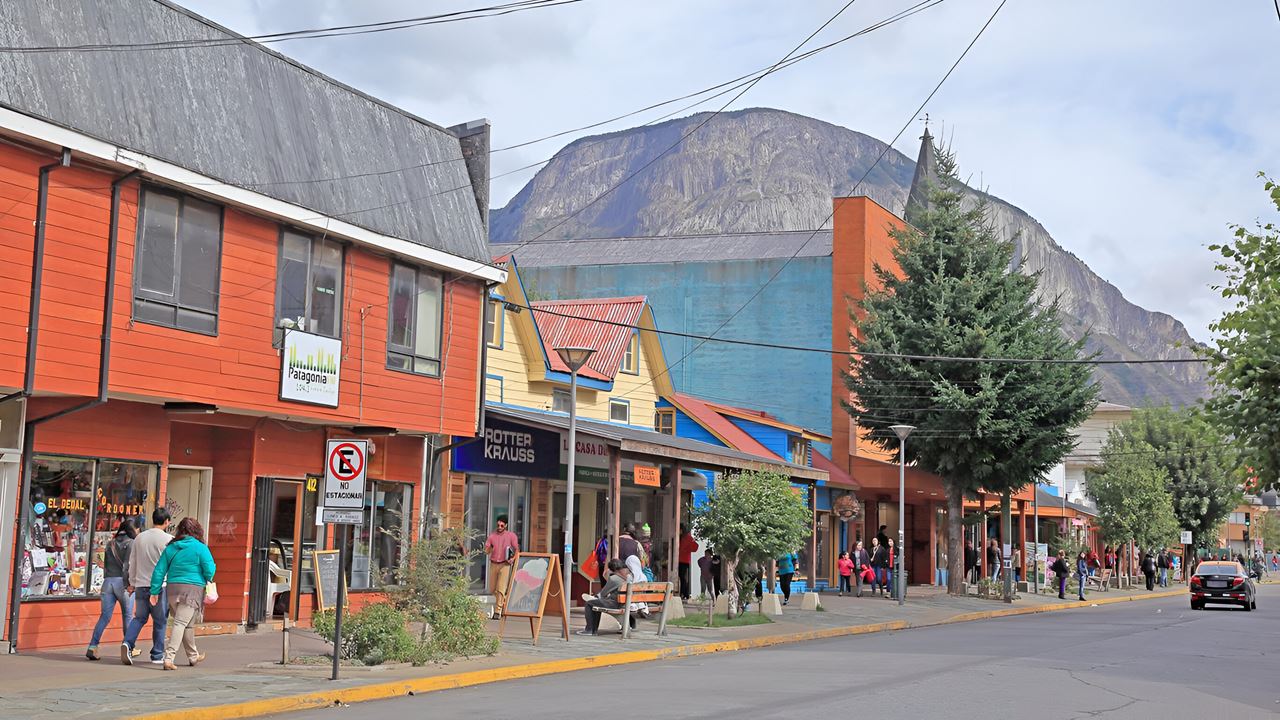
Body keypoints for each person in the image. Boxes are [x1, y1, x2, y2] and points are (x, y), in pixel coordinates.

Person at [149, 517, 216, 670]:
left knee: (187, 624)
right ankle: (169, 658)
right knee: (181, 623)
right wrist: (210, 574)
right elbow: (209, 571)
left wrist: (154, 591)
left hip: (172, 589)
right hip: (192, 589)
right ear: (197, 530)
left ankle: (193, 656)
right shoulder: (200, 548)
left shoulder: (171, 548)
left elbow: (159, 571)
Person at [122, 508, 172, 665]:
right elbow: (171, 565)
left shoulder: (139, 538)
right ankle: (157, 654)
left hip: (141, 585)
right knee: (160, 621)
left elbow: (133, 562)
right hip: (160, 586)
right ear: (166, 522)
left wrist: (132, 583)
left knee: (139, 618)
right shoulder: (169, 539)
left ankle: (127, 643)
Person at [86, 520, 136, 661]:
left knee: (104, 617)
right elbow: (127, 565)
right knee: (127, 616)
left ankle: (93, 646)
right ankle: (127, 647)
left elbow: (106, 566)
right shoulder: (131, 543)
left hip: (108, 582)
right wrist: (129, 583)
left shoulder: (110, 543)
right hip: (123, 582)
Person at [577, 560, 630, 636]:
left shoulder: (614, 578)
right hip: (624, 604)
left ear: (611, 569)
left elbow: (603, 594)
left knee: (589, 603)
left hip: (615, 604)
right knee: (596, 603)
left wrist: (606, 575)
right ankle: (593, 630)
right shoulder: (627, 576)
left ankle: (590, 630)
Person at [483, 515, 520, 618]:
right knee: (493, 588)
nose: (499, 527)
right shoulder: (492, 536)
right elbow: (486, 550)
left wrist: (513, 559)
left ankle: (497, 611)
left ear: (506, 525)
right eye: (498, 525)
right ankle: (502, 602)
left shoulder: (511, 536)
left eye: (502, 525)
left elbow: (517, 549)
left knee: (501, 588)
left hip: (505, 564)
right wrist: (489, 548)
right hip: (494, 563)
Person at [678, 525, 698, 602]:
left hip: (684, 560)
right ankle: (683, 593)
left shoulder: (688, 537)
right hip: (679, 559)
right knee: (681, 577)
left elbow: (695, 547)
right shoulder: (680, 537)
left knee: (683, 578)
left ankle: (684, 593)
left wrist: (686, 550)